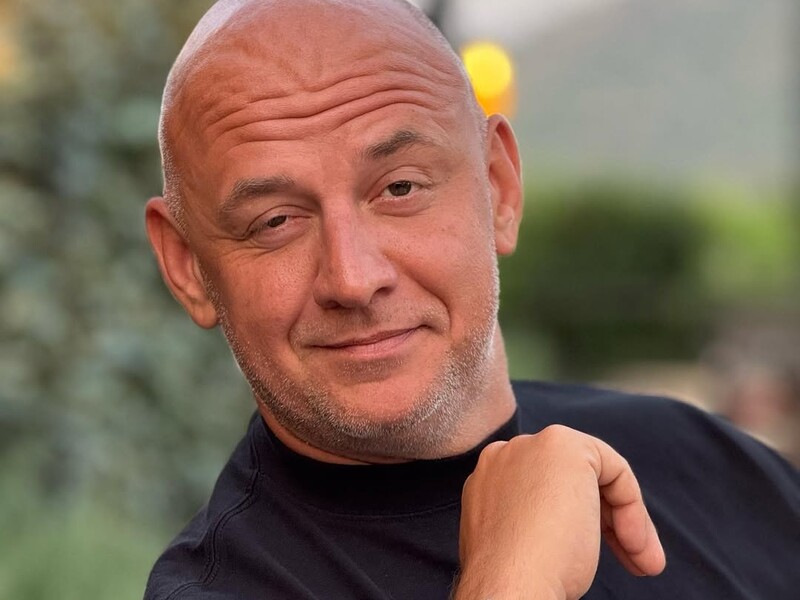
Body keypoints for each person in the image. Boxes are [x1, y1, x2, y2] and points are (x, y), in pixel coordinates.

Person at [143, 0, 799, 598]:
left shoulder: (709, 465)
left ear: (499, 188)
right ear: (187, 266)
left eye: (400, 188)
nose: (352, 278)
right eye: (275, 221)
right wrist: (513, 581)